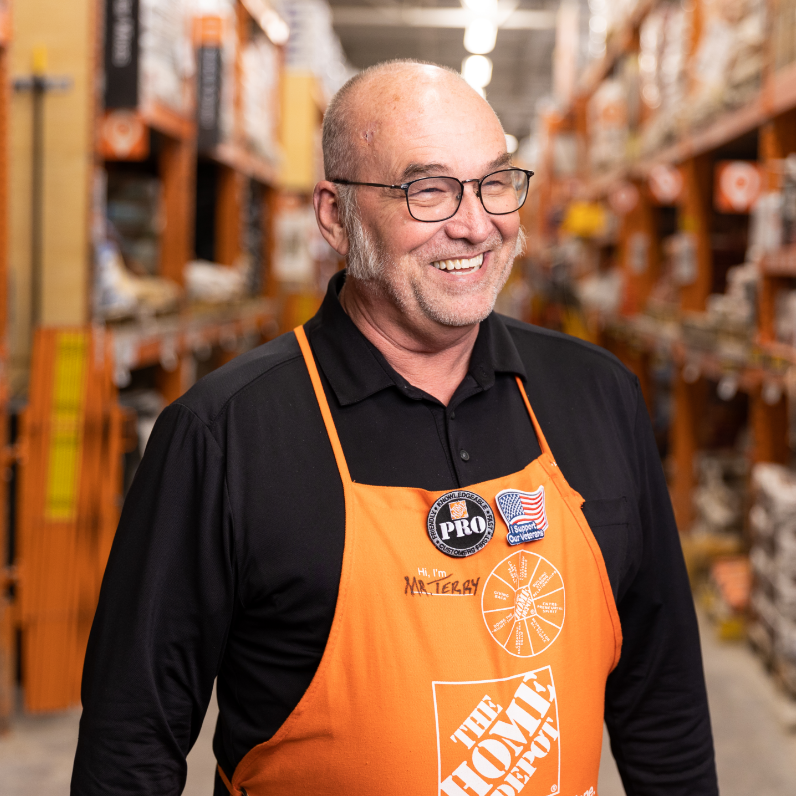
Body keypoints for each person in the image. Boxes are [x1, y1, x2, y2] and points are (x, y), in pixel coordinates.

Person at [72, 60, 718, 796]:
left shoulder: (596, 396)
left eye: (495, 182)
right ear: (334, 217)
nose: (476, 224)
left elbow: (662, 702)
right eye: (428, 189)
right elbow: (131, 743)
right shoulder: (225, 435)